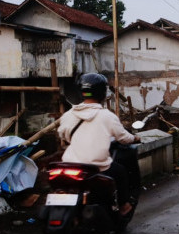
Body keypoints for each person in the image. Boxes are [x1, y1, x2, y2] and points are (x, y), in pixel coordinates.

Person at [57, 73, 140, 216]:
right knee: (120, 172)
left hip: (70, 164)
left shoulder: (69, 115)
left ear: (82, 92)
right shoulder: (107, 116)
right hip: (97, 166)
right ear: (103, 93)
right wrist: (135, 138)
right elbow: (123, 138)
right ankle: (124, 205)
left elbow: (63, 134)